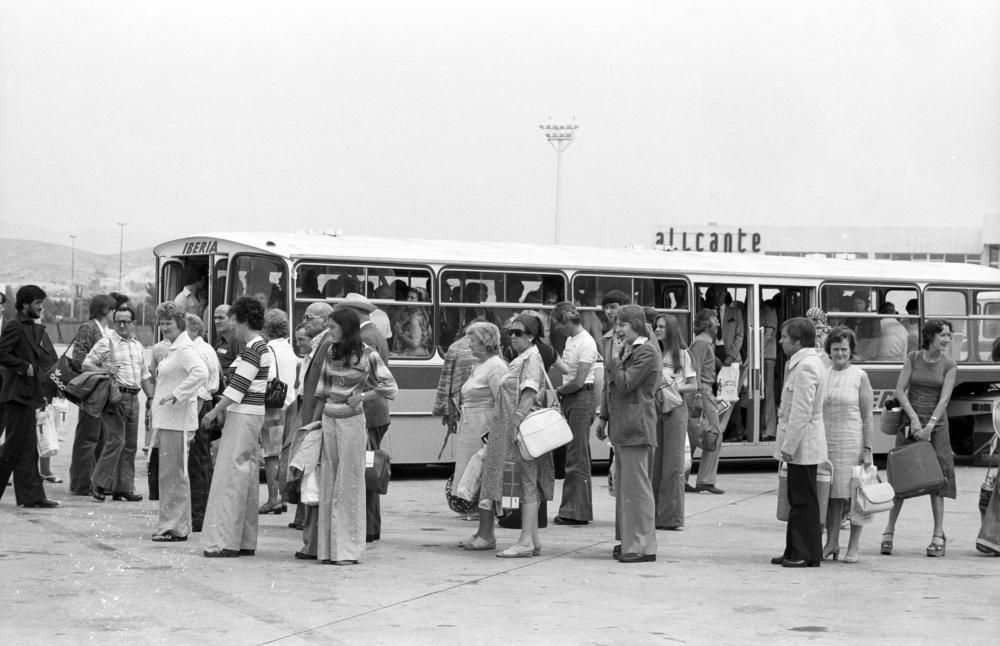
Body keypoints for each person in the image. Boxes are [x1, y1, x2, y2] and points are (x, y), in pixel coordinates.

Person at [303, 307, 397, 564]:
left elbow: (390, 387)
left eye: (333, 327)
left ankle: (346, 551)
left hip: (352, 423)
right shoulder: (331, 352)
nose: (329, 331)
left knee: (349, 482)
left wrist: (363, 396)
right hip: (329, 421)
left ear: (346, 328)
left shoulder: (368, 355)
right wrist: (313, 425)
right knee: (329, 481)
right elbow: (322, 391)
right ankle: (329, 550)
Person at [199, 297, 273, 558]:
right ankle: (243, 539)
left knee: (231, 476)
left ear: (241, 319)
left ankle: (225, 541)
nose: (229, 322)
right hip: (252, 414)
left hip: (242, 414)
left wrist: (215, 412)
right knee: (246, 476)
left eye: (232, 318)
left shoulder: (253, 349)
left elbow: (239, 387)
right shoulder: (259, 347)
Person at [478, 313, 555, 558]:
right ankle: (532, 539)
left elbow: (530, 392)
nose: (513, 337)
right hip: (516, 427)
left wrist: (516, 423)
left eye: (518, 333)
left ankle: (525, 542)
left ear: (531, 336)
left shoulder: (530, 358)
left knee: (527, 484)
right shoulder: (523, 357)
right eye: (510, 332)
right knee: (526, 482)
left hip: (522, 429)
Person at [880, 319, 957, 558]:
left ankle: (938, 534)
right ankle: (889, 531)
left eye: (948, 335)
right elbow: (900, 390)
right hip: (909, 425)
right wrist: (914, 419)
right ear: (931, 336)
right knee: (900, 478)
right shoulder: (913, 358)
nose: (946, 339)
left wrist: (929, 426)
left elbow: (944, 399)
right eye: (943, 335)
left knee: (938, 480)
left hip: (937, 427)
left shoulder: (949, 364)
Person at [592, 305, 661, 563]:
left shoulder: (647, 352)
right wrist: (604, 416)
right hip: (623, 427)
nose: (617, 330)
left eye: (622, 324)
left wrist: (612, 360)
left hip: (637, 427)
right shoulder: (630, 350)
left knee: (637, 489)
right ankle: (631, 541)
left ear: (636, 324)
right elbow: (612, 387)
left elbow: (625, 383)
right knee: (626, 489)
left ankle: (642, 546)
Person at [333, 293, 392, 543]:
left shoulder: (365, 338)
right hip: (375, 410)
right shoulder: (376, 333)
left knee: (365, 469)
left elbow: (370, 380)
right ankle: (370, 526)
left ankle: (368, 526)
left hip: (366, 411)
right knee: (368, 468)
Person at [770, 317, 828, 568]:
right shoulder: (803, 363)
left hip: (803, 444)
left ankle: (804, 553)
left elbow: (801, 412)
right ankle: (795, 549)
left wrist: (788, 448)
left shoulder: (806, 367)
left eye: (784, 337)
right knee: (798, 498)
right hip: (802, 443)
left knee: (803, 500)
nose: (781, 341)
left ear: (798, 340)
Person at [149, 303, 208, 542]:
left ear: (180, 323)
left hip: (178, 421)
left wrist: (178, 393)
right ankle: (173, 524)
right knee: (169, 474)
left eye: (168, 323)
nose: (164, 328)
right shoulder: (173, 348)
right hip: (168, 420)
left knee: (174, 475)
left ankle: (174, 527)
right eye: (161, 323)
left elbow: (201, 372)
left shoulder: (184, 348)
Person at [84, 305, 153, 502]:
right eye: (118, 321)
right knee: (116, 441)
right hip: (116, 397)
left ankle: (123, 487)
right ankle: (97, 484)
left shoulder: (137, 345)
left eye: (125, 321)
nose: (121, 325)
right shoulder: (106, 342)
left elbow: (144, 374)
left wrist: (151, 398)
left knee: (130, 445)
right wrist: (104, 369)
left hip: (134, 397)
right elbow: (86, 364)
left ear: (133, 323)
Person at [0, 285, 59, 508]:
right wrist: (22, 366)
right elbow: (2, 352)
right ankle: (32, 496)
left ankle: (32, 496)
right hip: (16, 395)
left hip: (29, 394)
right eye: (37, 304)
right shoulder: (14, 326)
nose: (41, 308)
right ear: (25, 305)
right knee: (14, 447)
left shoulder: (33, 328)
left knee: (28, 448)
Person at [821, 326, 874, 563]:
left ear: (851, 351)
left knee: (855, 498)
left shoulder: (860, 376)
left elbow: (867, 416)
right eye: (835, 349)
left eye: (844, 349)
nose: (840, 353)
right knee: (832, 496)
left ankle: (854, 545)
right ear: (829, 351)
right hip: (827, 442)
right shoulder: (823, 373)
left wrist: (868, 449)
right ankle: (831, 542)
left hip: (852, 441)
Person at [455, 322, 507, 548]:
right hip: (471, 427)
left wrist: (493, 437)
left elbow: (502, 403)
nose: (469, 344)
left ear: (485, 342)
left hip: (483, 430)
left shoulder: (496, 367)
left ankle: (487, 534)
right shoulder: (481, 364)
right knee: (473, 479)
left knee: (483, 479)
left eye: (472, 340)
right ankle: (481, 531)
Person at [288, 302, 336, 542]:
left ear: (325, 321)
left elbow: (321, 389)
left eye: (309, 317)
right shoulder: (320, 343)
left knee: (313, 480)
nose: (304, 321)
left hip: (315, 422)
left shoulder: (327, 344)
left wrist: (313, 422)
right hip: (312, 419)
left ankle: (313, 539)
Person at [550, 302, 598, 526]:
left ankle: (575, 511)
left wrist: (560, 391)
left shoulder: (586, 342)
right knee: (574, 455)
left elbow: (579, 380)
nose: (558, 329)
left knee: (576, 458)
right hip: (572, 398)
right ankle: (575, 508)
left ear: (566, 321)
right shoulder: (571, 340)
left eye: (558, 324)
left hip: (580, 398)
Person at [67, 294, 116, 495]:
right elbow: (79, 359)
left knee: (100, 438)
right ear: (105, 310)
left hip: (102, 390)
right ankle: (80, 483)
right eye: (112, 309)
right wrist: (102, 370)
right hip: (91, 390)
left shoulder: (105, 331)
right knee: (87, 438)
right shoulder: (89, 328)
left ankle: (92, 481)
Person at [652, 313, 697, 530]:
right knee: (656, 464)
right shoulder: (654, 352)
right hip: (656, 410)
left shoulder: (682, 354)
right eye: (656, 326)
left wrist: (671, 388)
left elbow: (693, 385)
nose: (657, 330)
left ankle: (672, 518)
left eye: (661, 326)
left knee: (673, 465)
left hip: (675, 409)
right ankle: (654, 515)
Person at [183, 313, 221, 532]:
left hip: (198, 403)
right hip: (203, 402)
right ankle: (201, 511)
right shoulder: (207, 349)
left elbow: (202, 384)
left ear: (194, 330)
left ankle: (198, 514)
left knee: (197, 461)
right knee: (202, 461)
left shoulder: (197, 350)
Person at [259, 309, 297, 514]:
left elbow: (269, 376)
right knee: (283, 452)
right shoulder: (289, 349)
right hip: (289, 404)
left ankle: (274, 497)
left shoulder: (269, 349)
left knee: (270, 454)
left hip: (273, 407)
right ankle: (281, 496)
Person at [685, 309, 725, 495]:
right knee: (714, 434)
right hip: (703, 393)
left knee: (694, 435)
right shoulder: (701, 344)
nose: (718, 322)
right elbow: (696, 372)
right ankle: (706, 480)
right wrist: (699, 398)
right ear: (706, 323)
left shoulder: (704, 343)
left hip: (704, 392)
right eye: (715, 319)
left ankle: (683, 478)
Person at [392, 288, 431, 357]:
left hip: (411, 356)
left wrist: (400, 333)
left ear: (419, 302)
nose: (408, 300)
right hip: (421, 353)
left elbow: (415, 343)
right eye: (408, 297)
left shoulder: (414, 320)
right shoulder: (424, 315)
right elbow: (430, 333)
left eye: (412, 298)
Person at [760, 297, 779, 441]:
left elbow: (768, 335)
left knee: (768, 391)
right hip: (756, 357)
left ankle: (770, 429)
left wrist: (755, 352)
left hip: (766, 357)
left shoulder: (769, 310)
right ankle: (760, 427)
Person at [212, 304, 242, 377]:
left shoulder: (237, 339)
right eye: (215, 318)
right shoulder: (221, 338)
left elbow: (241, 368)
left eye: (221, 318)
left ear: (232, 319)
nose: (217, 321)